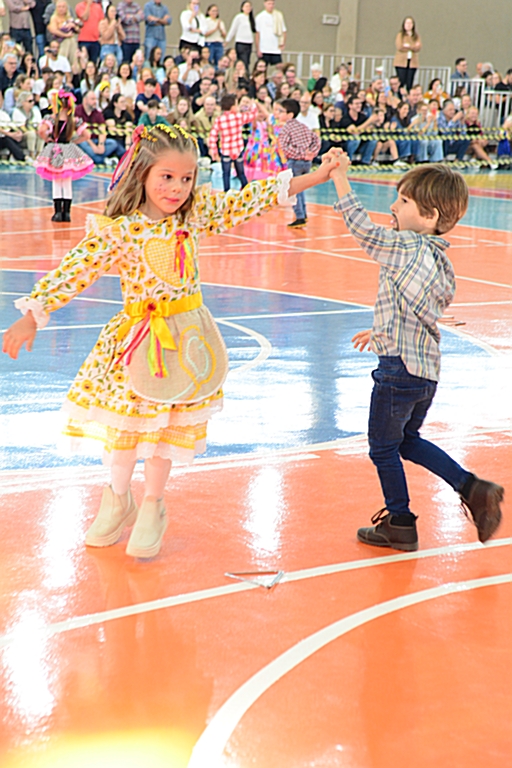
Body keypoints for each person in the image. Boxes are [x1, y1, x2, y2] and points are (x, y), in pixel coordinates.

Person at [3, 122, 336, 559]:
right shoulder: (117, 230)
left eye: (187, 178)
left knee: (165, 431)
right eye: (167, 177)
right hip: (138, 341)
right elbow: (76, 268)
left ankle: (153, 505)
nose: (178, 188)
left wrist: (317, 174)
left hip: (186, 342)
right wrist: (33, 314)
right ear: (142, 172)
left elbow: (249, 198)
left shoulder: (194, 216)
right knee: (126, 428)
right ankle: (117, 498)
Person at [325, 152, 504, 551]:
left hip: (397, 370)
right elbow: (417, 306)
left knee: (383, 447)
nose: (393, 206)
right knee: (406, 440)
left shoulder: (406, 246)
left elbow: (362, 230)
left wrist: (339, 177)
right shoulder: (440, 260)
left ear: (429, 217)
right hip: (425, 371)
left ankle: (400, 521)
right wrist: (381, 329)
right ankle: (471, 487)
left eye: (403, 201)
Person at [34, 89, 93, 220]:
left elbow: (41, 131)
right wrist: (74, 141)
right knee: (67, 182)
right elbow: (87, 135)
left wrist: (47, 139)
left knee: (57, 181)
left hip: (55, 150)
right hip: (68, 148)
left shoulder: (51, 119)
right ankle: (67, 213)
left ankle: (57, 213)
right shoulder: (74, 120)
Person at [277, 98, 320, 228]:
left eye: (281, 111)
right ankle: (303, 214)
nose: (279, 114)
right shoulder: (303, 126)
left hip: (295, 162)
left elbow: (285, 147)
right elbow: (316, 140)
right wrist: (310, 154)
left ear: (289, 114)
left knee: (294, 189)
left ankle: (300, 216)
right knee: (301, 189)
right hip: (306, 163)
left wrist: (299, 154)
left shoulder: (286, 129)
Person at [208, 91, 256, 190]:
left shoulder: (220, 119)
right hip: (238, 150)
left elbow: (213, 135)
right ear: (232, 106)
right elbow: (252, 115)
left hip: (226, 150)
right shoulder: (239, 117)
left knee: (226, 174)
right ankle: (247, 190)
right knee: (241, 173)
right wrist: (253, 105)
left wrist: (214, 150)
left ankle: (227, 193)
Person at [76, 88, 125, 163]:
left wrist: (100, 144)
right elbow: (82, 132)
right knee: (82, 143)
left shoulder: (98, 113)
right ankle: (102, 159)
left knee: (113, 143)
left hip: (96, 140)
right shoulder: (77, 111)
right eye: (92, 99)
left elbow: (102, 129)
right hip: (85, 141)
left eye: (96, 99)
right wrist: (94, 147)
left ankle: (98, 158)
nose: (95, 101)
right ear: (85, 100)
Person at [47, 0, 80, 68]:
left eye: (63, 7)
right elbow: (53, 30)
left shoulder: (69, 18)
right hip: (59, 41)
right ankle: (62, 66)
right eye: (59, 7)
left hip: (71, 41)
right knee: (67, 41)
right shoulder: (54, 18)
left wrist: (73, 26)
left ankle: (73, 66)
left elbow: (78, 30)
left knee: (72, 41)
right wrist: (66, 35)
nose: (61, 9)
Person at [393, 16, 421, 92]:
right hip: (401, 62)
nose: (409, 25)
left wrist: (408, 46)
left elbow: (418, 47)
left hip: (412, 62)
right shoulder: (400, 35)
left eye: (410, 23)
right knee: (401, 81)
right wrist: (412, 47)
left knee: (410, 82)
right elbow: (400, 46)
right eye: (407, 23)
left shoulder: (416, 36)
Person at [225, 1, 254, 72]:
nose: (248, 8)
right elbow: (233, 29)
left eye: (249, 6)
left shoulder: (251, 18)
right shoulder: (239, 17)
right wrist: (227, 40)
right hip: (241, 42)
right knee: (242, 61)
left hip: (249, 43)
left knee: (247, 61)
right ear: (242, 8)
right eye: (246, 6)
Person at [255, 0, 285, 66]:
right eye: (269, 4)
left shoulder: (278, 15)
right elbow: (257, 34)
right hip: (264, 48)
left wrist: (283, 43)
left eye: (272, 4)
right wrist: (258, 49)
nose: (271, 6)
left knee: (279, 66)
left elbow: (283, 30)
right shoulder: (260, 17)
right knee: (263, 67)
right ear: (265, 4)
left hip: (276, 48)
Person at [75, 0, 104, 65]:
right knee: (83, 62)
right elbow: (85, 17)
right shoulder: (79, 6)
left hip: (96, 40)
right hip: (83, 40)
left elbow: (101, 22)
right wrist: (88, 5)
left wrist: (101, 36)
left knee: (94, 62)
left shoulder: (98, 7)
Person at [117, 0, 144, 65]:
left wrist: (130, 17)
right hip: (126, 40)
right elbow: (124, 18)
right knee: (126, 62)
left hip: (136, 40)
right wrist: (135, 17)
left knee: (136, 62)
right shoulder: (120, 6)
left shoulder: (136, 5)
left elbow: (142, 16)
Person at [203, 4, 225, 69]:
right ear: (208, 12)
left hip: (219, 43)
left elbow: (224, 35)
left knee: (219, 61)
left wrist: (220, 29)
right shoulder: (206, 21)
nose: (215, 13)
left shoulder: (220, 21)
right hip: (210, 43)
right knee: (209, 60)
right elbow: (205, 34)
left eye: (216, 11)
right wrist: (215, 29)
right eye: (213, 11)